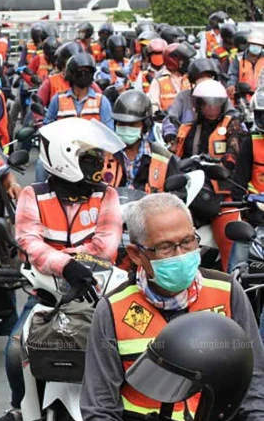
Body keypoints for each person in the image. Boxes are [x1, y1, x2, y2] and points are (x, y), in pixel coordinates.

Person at [81, 192, 264, 421]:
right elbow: (101, 408)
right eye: (166, 248)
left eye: (188, 242)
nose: (181, 255)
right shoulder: (113, 309)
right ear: (136, 254)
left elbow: (255, 383)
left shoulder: (227, 292)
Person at [0, 118, 124, 421]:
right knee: (14, 353)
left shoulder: (107, 196)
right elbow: (29, 242)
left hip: (95, 294)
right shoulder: (32, 196)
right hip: (46, 293)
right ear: (66, 158)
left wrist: (58, 258)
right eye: (89, 158)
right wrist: (69, 264)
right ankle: (19, 407)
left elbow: (106, 246)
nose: (99, 165)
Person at [171, 79, 246, 272]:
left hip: (222, 194)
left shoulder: (232, 124)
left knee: (229, 239)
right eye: (207, 103)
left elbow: (234, 150)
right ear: (198, 104)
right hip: (192, 191)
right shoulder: (188, 128)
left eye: (216, 103)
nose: (212, 108)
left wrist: (223, 163)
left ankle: (233, 279)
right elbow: (175, 159)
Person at [102, 90, 178, 192]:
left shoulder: (164, 158)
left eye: (132, 124)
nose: (126, 128)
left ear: (145, 125)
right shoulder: (104, 155)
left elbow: (177, 194)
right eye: (121, 123)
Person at [162, 59, 230, 143]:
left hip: (218, 140)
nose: (205, 79)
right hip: (188, 141)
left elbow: (233, 116)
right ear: (193, 80)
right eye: (201, 77)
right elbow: (171, 117)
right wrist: (170, 133)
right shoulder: (183, 96)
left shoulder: (221, 95)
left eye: (208, 76)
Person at [44, 53, 114, 129]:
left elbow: (108, 132)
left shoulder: (101, 101)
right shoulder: (58, 99)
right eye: (79, 71)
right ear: (71, 74)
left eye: (87, 71)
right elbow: (47, 128)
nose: (83, 73)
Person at [148, 42, 194, 113]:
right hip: (167, 121)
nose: (185, 63)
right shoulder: (159, 81)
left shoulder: (189, 78)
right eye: (181, 60)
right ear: (172, 60)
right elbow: (153, 105)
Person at [37, 41, 81, 110]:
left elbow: (102, 102)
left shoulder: (87, 81)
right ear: (62, 64)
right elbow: (38, 104)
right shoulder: (50, 82)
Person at [229, 31, 264, 100]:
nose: (256, 47)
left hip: (261, 98)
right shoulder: (239, 58)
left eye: (259, 45)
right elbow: (233, 74)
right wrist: (231, 85)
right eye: (254, 44)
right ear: (249, 44)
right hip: (242, 97)